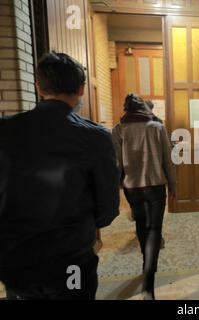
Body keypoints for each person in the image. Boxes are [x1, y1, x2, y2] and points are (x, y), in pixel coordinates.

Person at [0, 52, 120, 300]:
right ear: (81, 89)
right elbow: (108, 208)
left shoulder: (5, 130)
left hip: (15, 261)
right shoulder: (94, 137)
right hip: (71, 261)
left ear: (39, 87)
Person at [112, 94, 176, 300]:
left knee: (141, 225)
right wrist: (173, 184)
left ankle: (144, 265)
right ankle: (149, 281)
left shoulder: (118, 129)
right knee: (155, 229)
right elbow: (168, 158)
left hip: (132, 188)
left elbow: (117, 163)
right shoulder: (157, 128)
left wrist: (118, 185)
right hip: (156, 186)